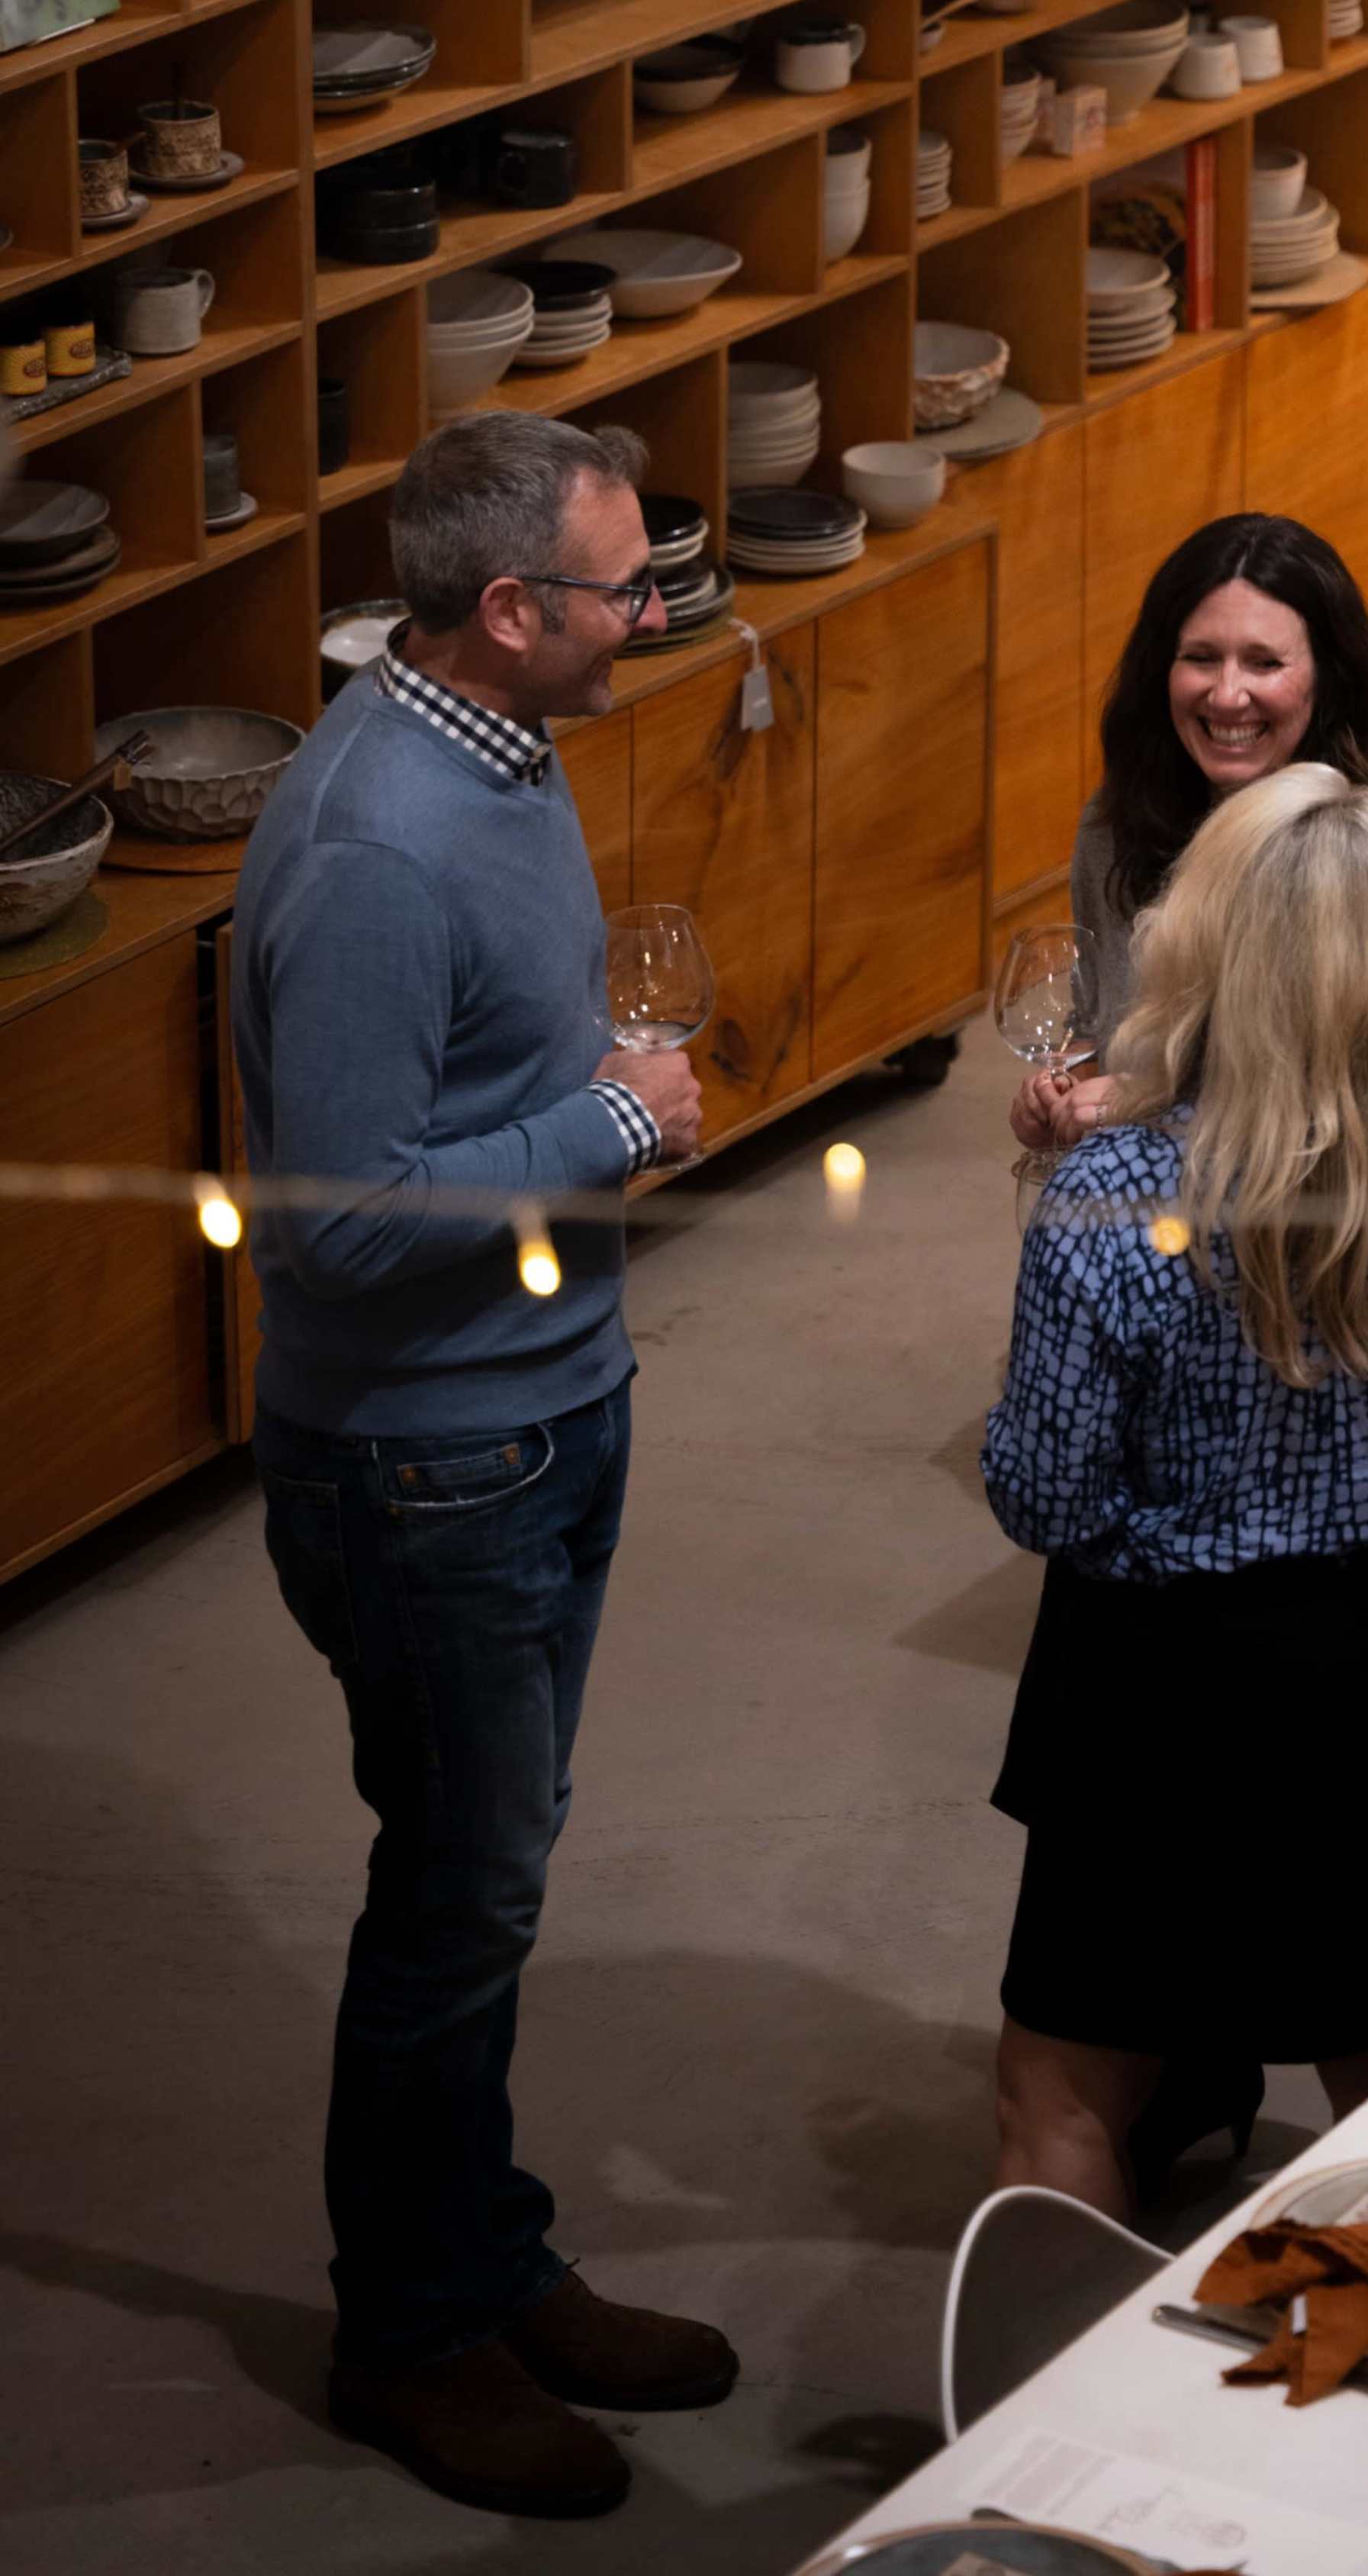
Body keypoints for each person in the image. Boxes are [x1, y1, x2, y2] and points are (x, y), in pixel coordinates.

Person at [237, 417, 731, 2523]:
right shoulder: (372, 849)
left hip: (544, 1403)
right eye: (627, 585)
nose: (657, 608)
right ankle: (412, 2334)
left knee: (487, 1885)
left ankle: (491, 2256)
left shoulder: (499, 757)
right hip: (430, 1464)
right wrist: (612, 1130)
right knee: (451, 1902)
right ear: (511, 611)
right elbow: (336, 1219)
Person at [982, 765, 1368, 2214]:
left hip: (1165, 1702)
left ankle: (1054, 2418)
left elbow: (1044, 1496)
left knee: (1066, 2093)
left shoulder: (1112, 1196)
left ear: (1197, 943)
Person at [1012, 512, 1368, 1154]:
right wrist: (1067, 1086)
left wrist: (1155, 1111)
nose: (1228, 695)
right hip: (1140, 1216)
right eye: (1201, 658)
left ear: (1328, 680)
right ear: (1162, 670)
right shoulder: (1114, 828)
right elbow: (1097, 1026)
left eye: (1264, 663)